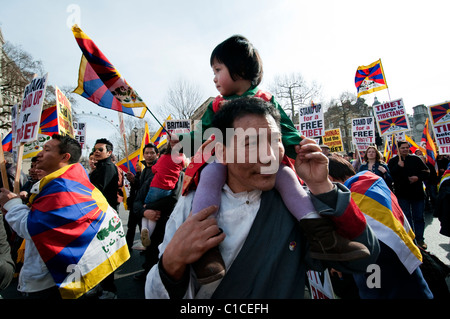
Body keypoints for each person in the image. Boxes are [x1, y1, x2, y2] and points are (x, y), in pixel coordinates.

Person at [175, 35, 368, 284]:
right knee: (210, 175)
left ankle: (321, 236)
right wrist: (183, 143)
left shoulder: (267, 100)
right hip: (224, 163)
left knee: (287, 177)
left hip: (271, 166)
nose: (214, 78)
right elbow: (202, 134)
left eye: (218, 70)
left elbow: (286, 131)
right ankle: (205, 245)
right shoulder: (217, 107)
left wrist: (302, 148)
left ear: (240, 69)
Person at [145, 97, 379, 299]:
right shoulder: (192, 206)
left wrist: (321, 185)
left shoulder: (295, 204)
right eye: (252, 142)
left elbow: (364, 258)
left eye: (275, 140)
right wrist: (171, 263)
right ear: (222, 151)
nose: (269, 156)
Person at [0, 134, 129, 299]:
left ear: (65, 157)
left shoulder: (63, 189)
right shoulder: (66, 182)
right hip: (64, 270)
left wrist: (12, 205)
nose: (39, 154)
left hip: (53, 278)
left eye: (47, 149)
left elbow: (31, 228)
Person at [328, 154, 433, 299]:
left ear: (330, 179)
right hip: (403, 254)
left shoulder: (353, 197)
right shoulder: (370, 182)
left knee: (376, 292)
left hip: (375, 262)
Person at [89, 138, 120, 299]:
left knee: (105, 254)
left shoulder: (107, 168)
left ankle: (109, 289)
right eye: (95, 149)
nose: (96, 152)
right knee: (96, 253)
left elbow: (97, 192)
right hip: (96, 216)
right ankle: (99, 284)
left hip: (103, 217)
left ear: (109, 152)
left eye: (100, 149)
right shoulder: (100, 167)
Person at [141, 139, 186, 248]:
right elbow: (183, 166)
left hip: (155, 187)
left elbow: (154, 169)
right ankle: (148, 237)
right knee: (155, 212)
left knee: (148, 213)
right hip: (168, 189)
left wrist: (147, 207)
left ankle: (144, 230)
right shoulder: (181, 160)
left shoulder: (163, 158)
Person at [388, 141, 430, 249]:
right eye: (403, 148)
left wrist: (417, 177)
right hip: (402, 194)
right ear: (398, 149)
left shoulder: (415, 159)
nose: (405, 150)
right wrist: (398, 166)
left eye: (407, 148)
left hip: (417, 193)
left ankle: (420, 239)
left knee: (419, 217)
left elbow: (427, 172)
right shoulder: (393, 161)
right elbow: (390, 176)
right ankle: (410, 239)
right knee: (406, 218)